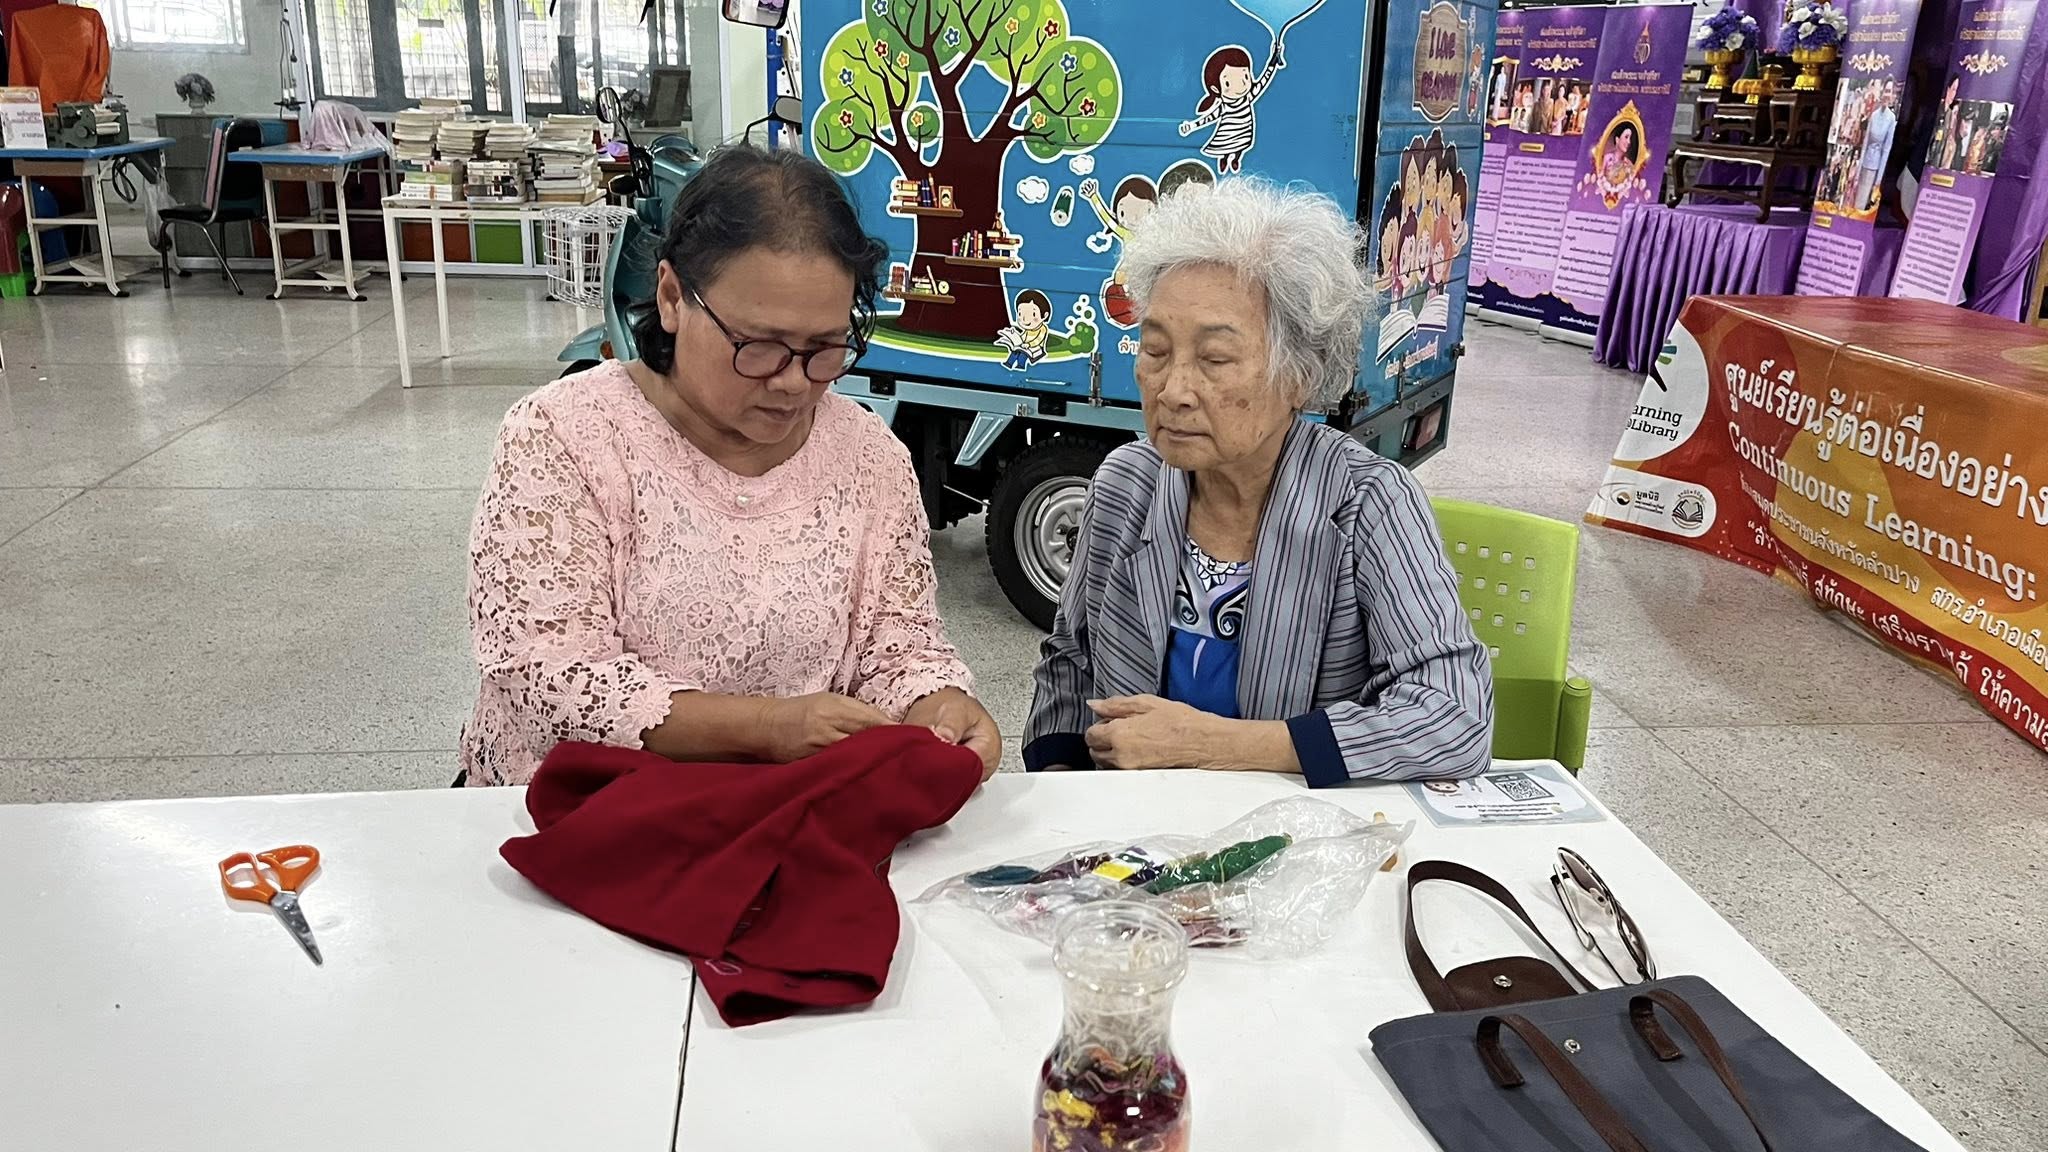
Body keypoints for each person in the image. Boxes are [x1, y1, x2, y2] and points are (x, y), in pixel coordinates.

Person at [462, 145, 1000, 786]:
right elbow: (546, 671)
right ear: (671, 297)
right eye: (759, 346)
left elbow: (898, 642)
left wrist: (937, 703)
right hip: (576, 811)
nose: (793, 382)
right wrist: (767, 728)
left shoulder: (867, 456)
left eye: (826, 347)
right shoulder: (567, 435)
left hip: (786, 814)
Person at [1023, 179, 1494, 785]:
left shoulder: (1368, 503)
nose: (1173, 391)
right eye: (1156, 350)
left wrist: (1212, 745)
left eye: (1215, 359)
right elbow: (1071, 659)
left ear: (1300, 375)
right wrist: (1060, 785)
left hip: (1295, 831)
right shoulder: (1124, 484)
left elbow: (1455, 718)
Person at [1180, 44, 1284, 173]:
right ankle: (1224, 158)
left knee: (1241, 146)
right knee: (1226, 146)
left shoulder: (1248, 97)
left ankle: (1235, 159)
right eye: (1228, 83)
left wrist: (1272, 62)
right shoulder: (1225, 106)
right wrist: (1192, 126)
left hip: (1244, 130)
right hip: (1228, 133)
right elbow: (1209, 118)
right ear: (1215, 88)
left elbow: (1264, 80)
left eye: (1246, 77)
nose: (1241, 85)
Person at [1855, 81, 1897, 213]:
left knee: (1865, 202)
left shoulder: (1891, 118)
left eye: (1889, 92)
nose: (1887, 95)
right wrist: (1859, 167)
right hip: (1865, 163)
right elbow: (1865, 142)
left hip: (1876, 166)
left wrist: (1879, 178)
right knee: (1857, 198)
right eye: (1885, 91)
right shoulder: (1873, 115)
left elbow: (1886, 150)